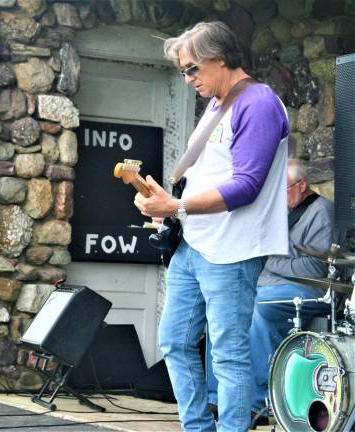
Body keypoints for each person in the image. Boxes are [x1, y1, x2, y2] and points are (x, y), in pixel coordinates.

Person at [133, 21, 290, 431]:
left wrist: (178, 205)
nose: (188, 79)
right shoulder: (219, 103)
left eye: (192, 69)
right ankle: (197, 427)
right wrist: (164, 204)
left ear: (219, 58)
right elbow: (210, 174)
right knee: (175, 343)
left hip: (233, 251)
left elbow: (246, 186)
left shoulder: (259, 102)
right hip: (197, 244)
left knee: (229, 354)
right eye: (184, 71)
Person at [207, 158, 334, 422]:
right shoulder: (281, 210)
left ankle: (259, 403)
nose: (277, 195)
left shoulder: (322, 212)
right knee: (221, 309)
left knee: (256, 310)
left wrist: (267, 258)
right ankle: (216, 398)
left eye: (284, 188)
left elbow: (316, 269)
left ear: (302, 185)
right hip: (266, 286)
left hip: (306, 290)